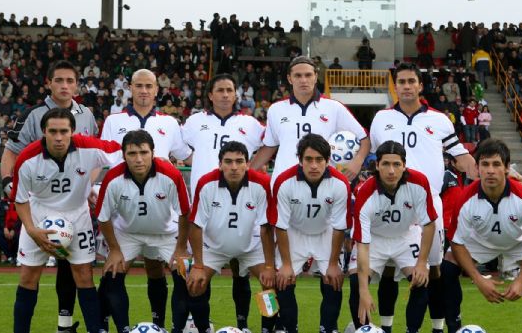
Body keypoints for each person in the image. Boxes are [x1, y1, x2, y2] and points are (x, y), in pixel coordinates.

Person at [368, 63, 477, 333]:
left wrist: (498, 174)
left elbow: (461, 157)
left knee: (433, 268)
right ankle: (386, 327)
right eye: (401, 81)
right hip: (390, 201)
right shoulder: (381, 118)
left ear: (420, 86)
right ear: (396, 85)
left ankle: (436, 327)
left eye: (411, 81)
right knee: (390, 268)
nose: (406, 86)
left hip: (428, 204)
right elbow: (369, 156)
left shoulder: (439, 120)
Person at [1, 60, 98, 333]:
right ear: (49, 83)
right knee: (30, 273)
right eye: (59, 80)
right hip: (41, 204)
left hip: (76, 208)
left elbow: (96, 158)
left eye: (70, 81)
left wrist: (86, 183)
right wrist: (9, 182)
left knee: (79, 271)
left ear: (77, 84)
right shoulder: (33, 114)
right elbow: (11, 152)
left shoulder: (87, 115)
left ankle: (67, 325)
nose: (65, 86)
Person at [10, 108, 122, 333]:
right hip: (38, 216)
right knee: (28, 277)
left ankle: (94, 329)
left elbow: (122, 151)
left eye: (64, 131)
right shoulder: (27, 159)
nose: (59, 137)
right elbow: (20, 200)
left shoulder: (88, 147)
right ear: (44, 132)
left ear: (73, 131)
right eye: (53, 131)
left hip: (78, 215)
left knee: (83, 275)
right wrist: (32, 230)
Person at [99, 68, 193, 331]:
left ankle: (179, 325)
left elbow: (187, 156)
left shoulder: (170, 123)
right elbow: (101, 159)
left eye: (148, 86)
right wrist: (91, 186)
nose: (143, 91)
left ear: (156, 89)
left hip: (164, 217)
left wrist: (226, 175)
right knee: (110, 274)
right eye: (138, 85)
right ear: (130, 87)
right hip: (127, 212)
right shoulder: (113, 121)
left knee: (192, 277)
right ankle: (110, 326)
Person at [446, 139, 522, 333]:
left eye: (496, 164)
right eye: (485, 164)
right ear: (477, 168)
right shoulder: (465, 198)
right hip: (481, 241)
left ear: (506, 168)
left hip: (519, 242)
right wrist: (479, 279)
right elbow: (457, 242)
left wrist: (521, 279)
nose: (490, 170)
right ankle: (454, 327)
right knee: (446, 268)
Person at [182, 73, 264, 331]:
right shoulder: (195, 121)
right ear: (210, 94)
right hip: (207, 205)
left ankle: (254, 324)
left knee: (243, 273)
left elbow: (269, 145)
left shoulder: (250, 123)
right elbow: (181, 152)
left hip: (243, 203)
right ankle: (199, 324)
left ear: (236, 94)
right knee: (198, 276)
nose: (225, 94)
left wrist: (251, 169)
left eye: (230, 90)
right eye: (220, 90)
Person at [186, 141, 276, 333]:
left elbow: (266, 227)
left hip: (251, 247)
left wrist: (269, 266)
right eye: (228, 162)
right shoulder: (206, 183)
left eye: (239, 161)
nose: (234, 167)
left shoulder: (261, 183)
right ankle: (204, 329)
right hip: (215, 247)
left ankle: (265, 330)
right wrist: (198, 266)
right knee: (195, 284)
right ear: (220, 164)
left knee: (271, 286)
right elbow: (195, 226)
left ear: (247, 163)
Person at [350, 140, 436, 333]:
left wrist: (422, 263)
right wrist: (364, 290)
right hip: (374, 239)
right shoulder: (365, 192)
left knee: (421, 281)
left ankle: (412, 330)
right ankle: (363, 330)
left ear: (404, 165)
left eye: (396, 164)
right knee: (357, 284)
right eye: (386, 164)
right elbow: (362, 244)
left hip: (406, 235)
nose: (391, 171)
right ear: (377, 165)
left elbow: (429, 224)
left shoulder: (419, 182)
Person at [272, 134, 351, 333]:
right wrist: (287, 265)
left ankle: (328, 328)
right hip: (294, 233)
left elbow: (340, 226)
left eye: (319, 160)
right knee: (282, 281)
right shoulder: (284, 181)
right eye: (308, 159)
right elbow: (280, 226)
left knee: (333, 280)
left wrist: (333, 264)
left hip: (326, 233)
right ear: (300, 160)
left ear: (327, 160)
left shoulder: (340, 183)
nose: (314, 165)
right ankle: (290, 329)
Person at [251, 56, 370, 184]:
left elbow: (364, 139)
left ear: (315, 76)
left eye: (308, 75)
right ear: (289, 79)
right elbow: (270, 146)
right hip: (284, 183)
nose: (303, 80)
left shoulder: (334, 107)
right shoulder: (276, 109)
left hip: (324, 183)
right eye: (298, 76)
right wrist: (247, 171)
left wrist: (357, 162)